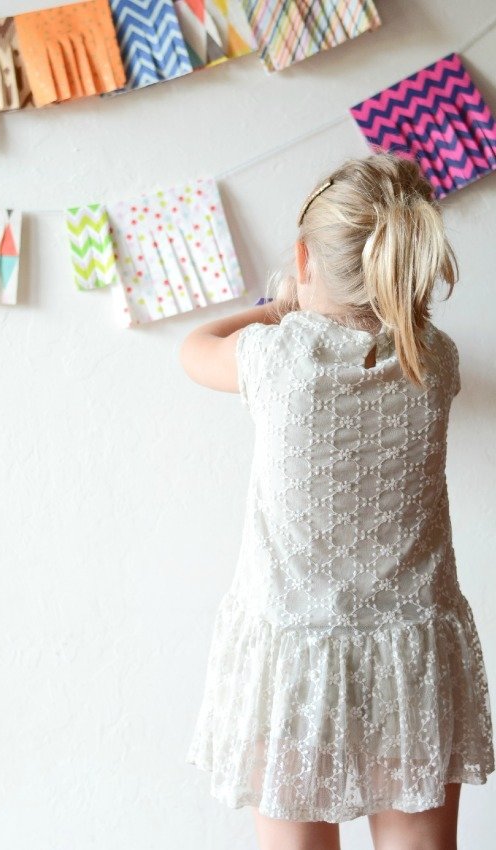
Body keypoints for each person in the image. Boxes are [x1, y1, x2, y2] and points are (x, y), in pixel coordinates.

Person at [179, 152, 495, 850]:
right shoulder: (435, 360)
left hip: (295, 659)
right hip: (409, 658)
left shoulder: (274, 357)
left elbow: (194, 348)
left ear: (303, 257)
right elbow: (405, 333)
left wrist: (277, 304)